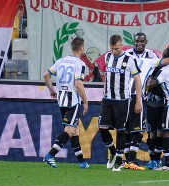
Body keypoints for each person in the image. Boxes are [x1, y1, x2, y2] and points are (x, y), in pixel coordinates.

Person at [124, 41, 169, 170]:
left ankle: (165, 161)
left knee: (158, 132)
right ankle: (138, 160)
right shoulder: (150, 63)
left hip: (154, 103)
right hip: (146, 101)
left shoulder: (131, 60)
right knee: (147, 132)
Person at [42, 37, 89, 169]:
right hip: (72, 101)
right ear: (81, 48)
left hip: (61, 100)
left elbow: (46, 75)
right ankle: (50, 155)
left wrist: (52, 90)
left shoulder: (60, 61)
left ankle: (82, 162)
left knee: (75, 131)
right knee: (69, 130)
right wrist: (85, 101)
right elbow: (79, 84)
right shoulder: (79, 64)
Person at [98, 34, 143, 172]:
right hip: (107, 99)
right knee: (102, 128)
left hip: (122, 100)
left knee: (121, 130)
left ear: (121, 45)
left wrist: (139, 101)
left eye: (116, 48)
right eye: (112, 48)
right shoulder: (107, 57)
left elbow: (137, 80)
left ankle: (118, 160)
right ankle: (112, 151)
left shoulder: (130, 59)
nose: (114, 51)